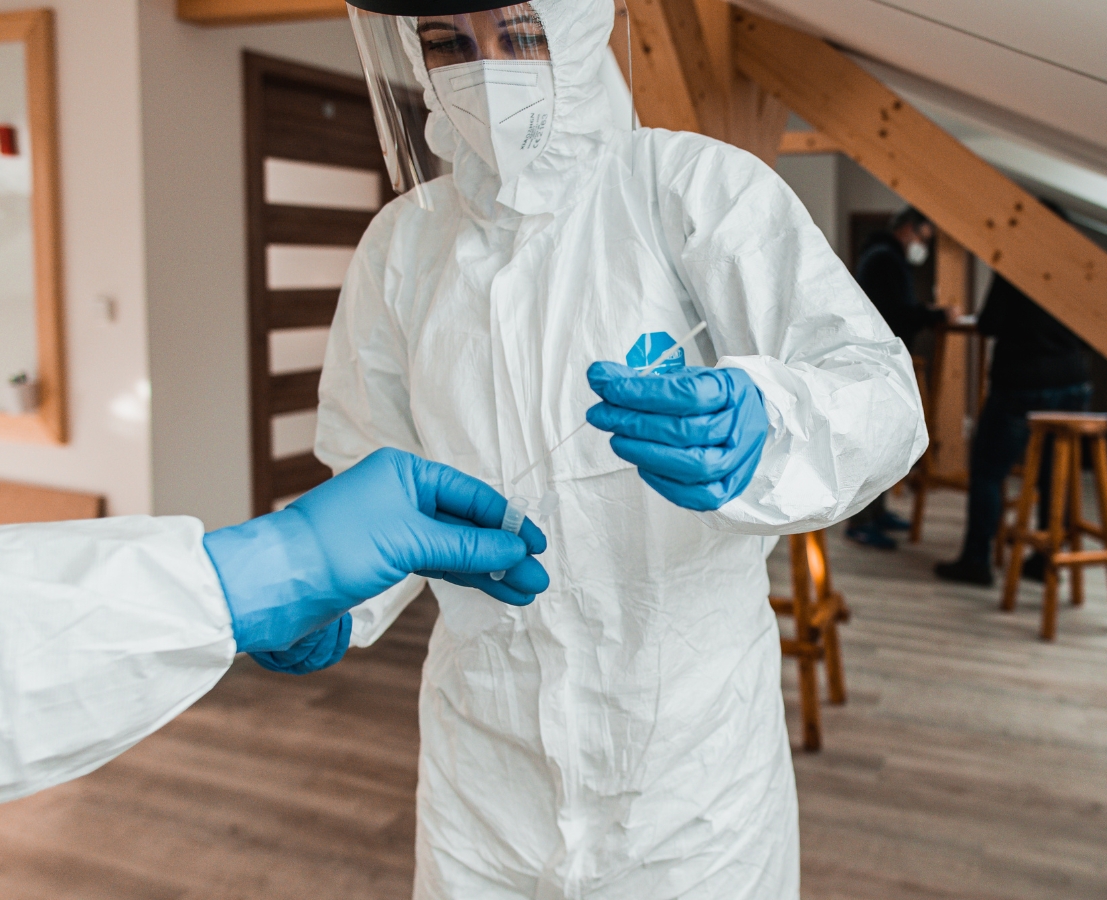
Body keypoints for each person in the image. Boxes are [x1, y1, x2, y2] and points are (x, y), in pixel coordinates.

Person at [329, 2, 927, 897]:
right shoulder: (405, 246)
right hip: (484, 771)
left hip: (688, 781)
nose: (483, 73)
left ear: (575, 27)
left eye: (517, 37)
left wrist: (767, 422)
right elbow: (371, 476)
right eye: (447, 45)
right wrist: (332, 600)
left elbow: (879, 390)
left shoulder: (688, 189)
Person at [0, 448, 548, 803]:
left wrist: (281, 568)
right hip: (476, 769)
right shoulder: (402, 263)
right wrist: (328, 595)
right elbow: (369, 430)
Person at [936, 200, 1091, 586]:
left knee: (989, 470)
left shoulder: (1019, 267)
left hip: (1023, 382)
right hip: (1073, 380)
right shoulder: (1079, 269)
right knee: (1053, 475)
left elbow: (990, 322)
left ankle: (977, 560)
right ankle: (1046, 557)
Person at [845, 206, 948, 549]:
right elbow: (894, 315)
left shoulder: (885, 256)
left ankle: (876, 513)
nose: (923, 246)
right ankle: (861, 521)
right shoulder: (883, 259)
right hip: (875, 362)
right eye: (923, 238)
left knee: (884, 442)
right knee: (873, 444)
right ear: (908, 229)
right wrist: (931, 314)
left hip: (881, 361)